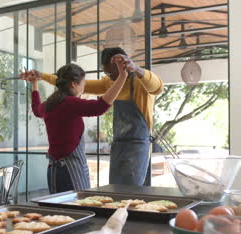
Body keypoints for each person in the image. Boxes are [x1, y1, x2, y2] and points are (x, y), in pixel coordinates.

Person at [24, 47, 163, 186]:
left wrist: (136, 69)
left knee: (130, 191)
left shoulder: (140, 81)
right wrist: (41, 76)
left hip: (136, 146)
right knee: (115, 191)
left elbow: (158, 87)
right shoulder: (79, 98)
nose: (109, 76)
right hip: (108, 149)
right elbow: (95, 103)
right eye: (106, 72)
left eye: (111, 72)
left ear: (124, 66)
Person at [22, 60, 128, 193]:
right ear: (73, 84)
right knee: (76, 210)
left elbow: (37, 110)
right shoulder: (70, 103)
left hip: (54, 171)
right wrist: (122, 77)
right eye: (83, 84)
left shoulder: (50, 104)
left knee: (58, 211)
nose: (83, 89)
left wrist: (34, 84)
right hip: (70, 172)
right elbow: (100, 107)